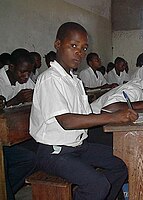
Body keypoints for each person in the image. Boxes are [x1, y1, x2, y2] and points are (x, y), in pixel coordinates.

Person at [30, 22, 138, 200]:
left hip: (79, 147)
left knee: (123, 165)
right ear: (57, 44)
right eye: (73, 45)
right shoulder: (50, 79)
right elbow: (67, 121)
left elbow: (87, 116)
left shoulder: (74, 80)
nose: (79, 52)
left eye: (83, 48)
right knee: (97, 184)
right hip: (54, 152)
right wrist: (112, 116)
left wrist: (118, 116)